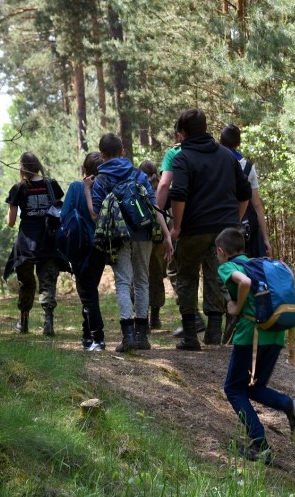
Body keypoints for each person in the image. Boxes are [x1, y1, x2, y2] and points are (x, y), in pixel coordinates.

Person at [216, 227, 295, 463]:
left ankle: (260, 445)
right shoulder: (259, 264)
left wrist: (236, 308)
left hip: (250, 336)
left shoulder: (229, 266)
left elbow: (244, 282)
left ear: (221, 251)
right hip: (275, 333)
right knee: (254, 387)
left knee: (234, 389)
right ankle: (291, 405)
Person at [169, 108, 252, 350]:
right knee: (218, 277)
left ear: (182, 133)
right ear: (206, 129)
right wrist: (233, 221)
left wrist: (177, 226)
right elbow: (245, 193)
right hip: (224, 230)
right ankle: (214, 333)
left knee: (186, 276)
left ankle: (191, 337)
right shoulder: (227, 156)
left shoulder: (182, 158)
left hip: (193, 229)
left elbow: (178, 194)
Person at [85, 133, 172, 352]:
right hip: (144, 233)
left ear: (102, 155)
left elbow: (96, 215)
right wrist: (167, 235)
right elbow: (154, 206)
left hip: (118, 237)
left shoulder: (101, 180)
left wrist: (87, 190)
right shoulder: (138, 174)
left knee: (124, 282)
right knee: (142, 281)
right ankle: (142, 336)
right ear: (123, 151)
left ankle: (128, 337)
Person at [3, 151, 65, 336]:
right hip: (49, 240)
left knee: (26, 284)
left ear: (21, 167)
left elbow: (11, 222)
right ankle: (48, 323)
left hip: (26, 245)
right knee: (48, 282)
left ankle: (24, 324)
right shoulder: (51, 185)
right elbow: (59, 210)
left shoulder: (18, 188)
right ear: (37, 164)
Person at [156, 124, 206, 338]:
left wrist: (157, 214)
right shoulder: (215, 151)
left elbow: (165, 185)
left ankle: (192, 320)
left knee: (178, 270)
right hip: (213, 219)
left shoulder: (175, 153)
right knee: (215, 271)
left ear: (179, 134)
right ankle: (217, 326)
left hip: (183, 219)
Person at [59, 152, 107, 351]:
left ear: (84, 170)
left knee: (87, 293)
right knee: (89, 290)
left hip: (80, 247)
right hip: (101, 246)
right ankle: (87, 335)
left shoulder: (76, 187)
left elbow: (64, 216)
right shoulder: (106, 188)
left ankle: (98, 338)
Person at [219, 124, 271, 258]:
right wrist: (265, 238)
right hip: (245, 225)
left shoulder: (215, 163)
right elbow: (256, 204)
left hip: (220, 221)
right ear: (238, 143)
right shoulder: (248, 167)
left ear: (220, 141)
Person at [139, 159, 168, 330]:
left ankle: (148, 316)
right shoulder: (161, 189)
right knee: (156, 277)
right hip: (159, 239)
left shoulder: (139, 187)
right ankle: (154, 317)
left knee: (143, 277)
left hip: (145, 237)